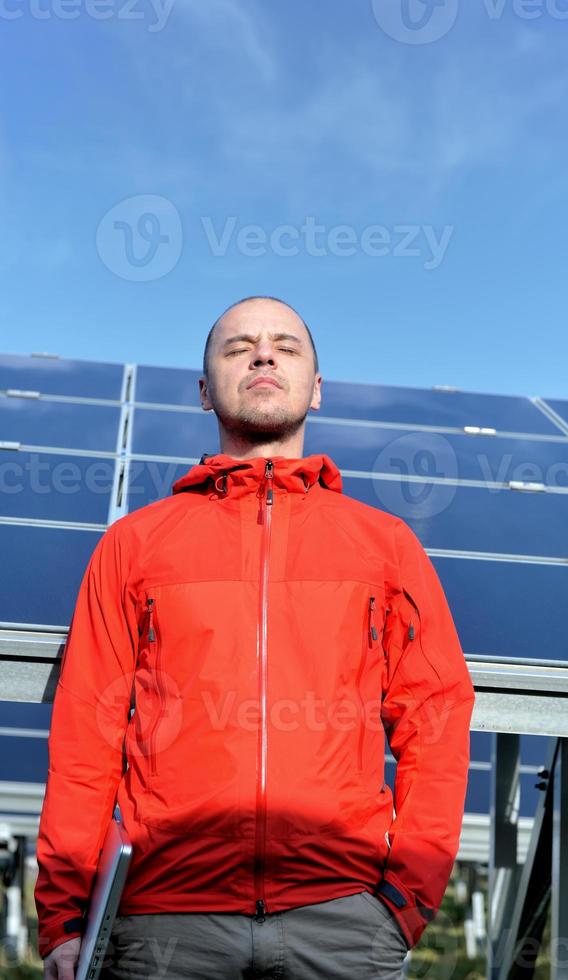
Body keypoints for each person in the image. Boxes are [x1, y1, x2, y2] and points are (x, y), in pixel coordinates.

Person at [35, 295, 476, 980]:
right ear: (205, 391)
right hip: (162, 928)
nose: (263, 354)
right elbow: (85, 737)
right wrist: (65, 919)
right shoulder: (134, 546)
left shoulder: (386, 547)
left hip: (343, 924)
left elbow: (436, 720)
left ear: (317, 390)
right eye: (239, 346)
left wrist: (402, 901)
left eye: (285, 345)